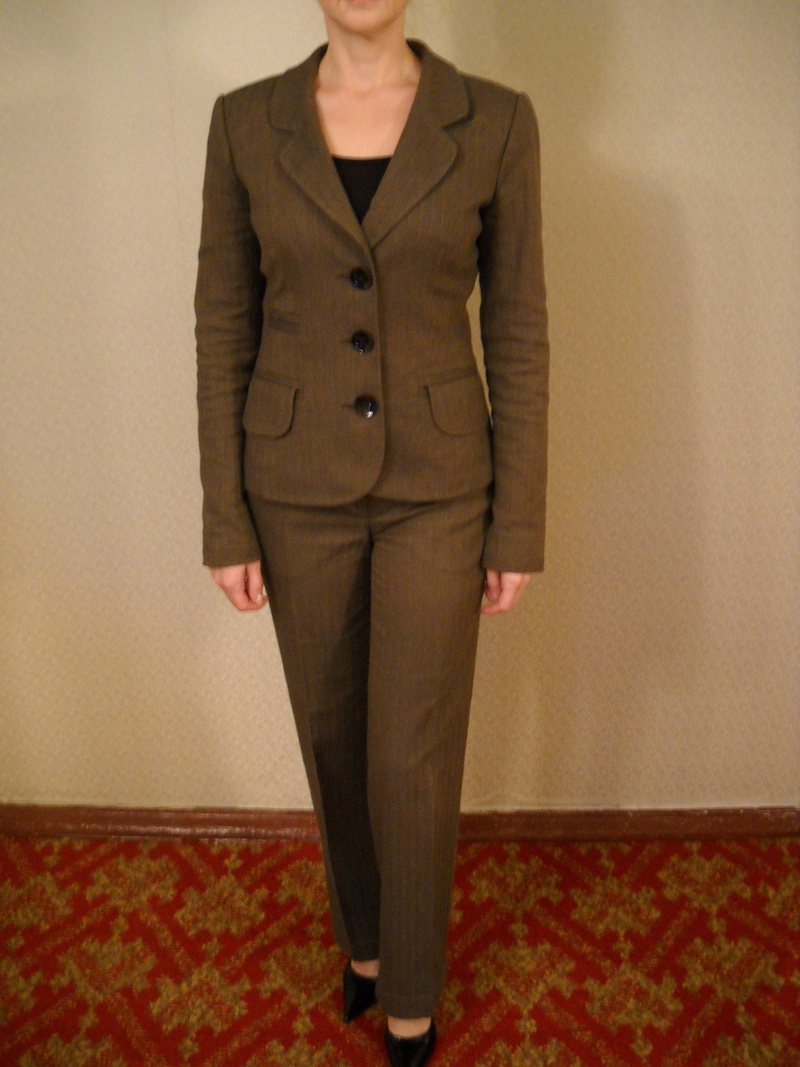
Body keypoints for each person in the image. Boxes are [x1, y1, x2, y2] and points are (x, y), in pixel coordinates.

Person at [195, 0, 549, 1062]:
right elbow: (222, 323)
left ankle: (411, 994)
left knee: (413, 752)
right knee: (330, 732)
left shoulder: (495, 120)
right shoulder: (244, 123)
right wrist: (225, 515)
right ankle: (363, 943)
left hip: (439, 486)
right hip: (291, 482)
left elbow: (518, 323)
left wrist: (516, 523)